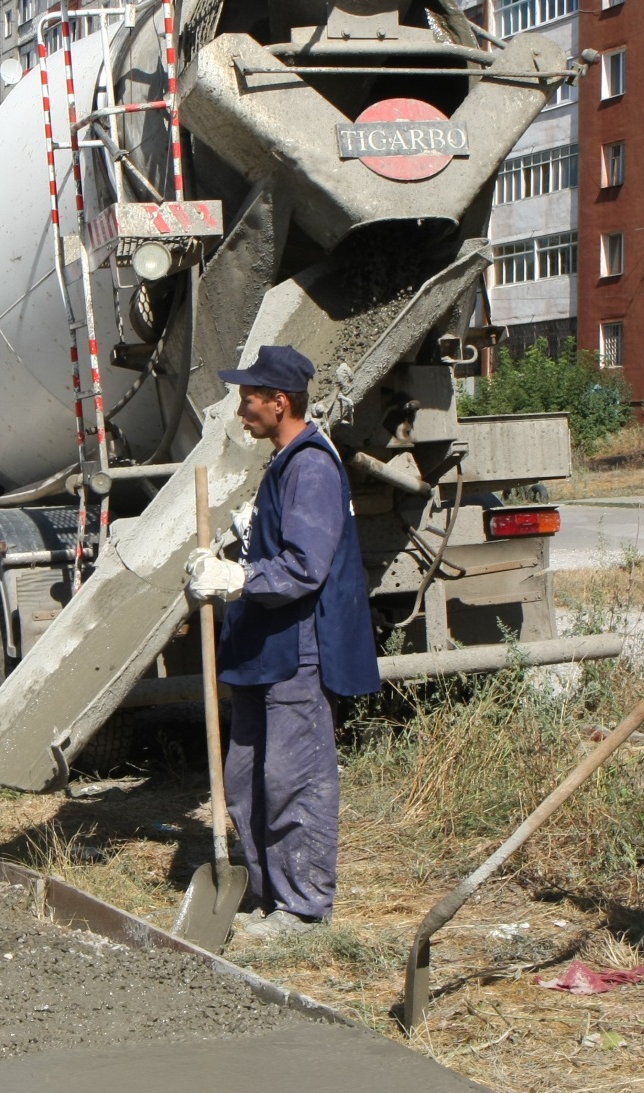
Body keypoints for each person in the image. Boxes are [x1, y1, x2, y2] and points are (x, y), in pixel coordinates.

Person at [185, 345, 380, 940]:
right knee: (247, 778)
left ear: (280, 402)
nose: (241, 408)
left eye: (250, 398)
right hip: (263, 650)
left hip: (297, 652)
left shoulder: (312, 467)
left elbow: (305, 567)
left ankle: (304, 909)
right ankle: (268, 895)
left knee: (294, 778)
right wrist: (232, 555)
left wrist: (238, 579)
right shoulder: (283, 463)